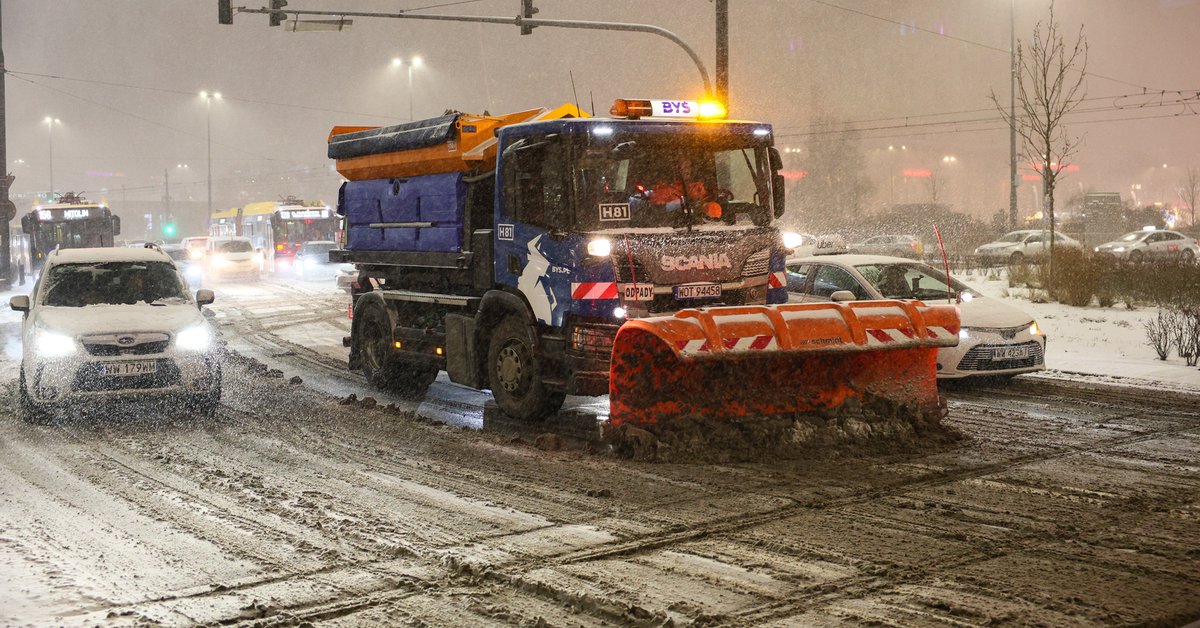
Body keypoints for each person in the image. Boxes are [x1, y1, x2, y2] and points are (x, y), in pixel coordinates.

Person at [642, 157, 722, 221]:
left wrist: (709, 206)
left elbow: (706, 206)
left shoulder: (697, 187)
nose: (688, 170)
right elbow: (660, 211)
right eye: (684, 167)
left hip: (697, 227)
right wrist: (679, 204)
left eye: (689, 166)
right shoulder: (663, 189)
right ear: (676, 169)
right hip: (672, 229)